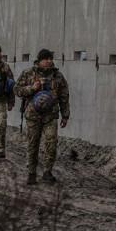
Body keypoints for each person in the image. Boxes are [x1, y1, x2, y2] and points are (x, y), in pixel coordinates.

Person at [13, 48, 70, 185]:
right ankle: (31, 173)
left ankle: (47, 171)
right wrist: (31, 88)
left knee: (51, 142)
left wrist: (65, 115)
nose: (49, 61)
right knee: (33, 144)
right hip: (33, 116)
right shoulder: (28, 73)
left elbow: (64, 96)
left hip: (51, 116)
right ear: (39, 60)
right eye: (46, 59)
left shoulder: (58, 76)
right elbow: (17, 90)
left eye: (51, 59)